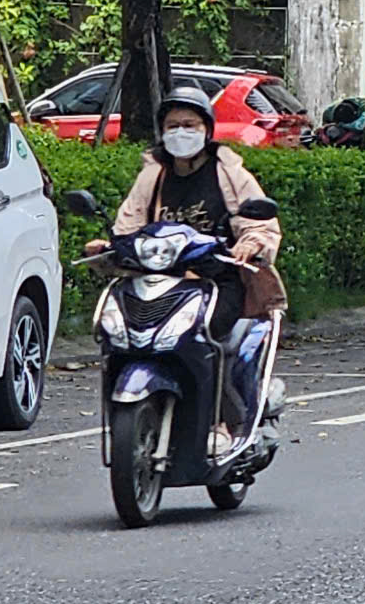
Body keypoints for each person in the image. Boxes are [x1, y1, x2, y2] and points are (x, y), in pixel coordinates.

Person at [98, 84, 286, 448]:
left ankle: (221, 422)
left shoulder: (229, 172)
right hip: (160, 282)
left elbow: (259, 222)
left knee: (207, 336)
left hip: (217, 281)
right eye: (172, 125)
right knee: (122, 334)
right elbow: (129, 223)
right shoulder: (153, 174)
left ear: (207, 129)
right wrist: (110, 246)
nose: (180, 132)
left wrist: (250, 242)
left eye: (189, 124)